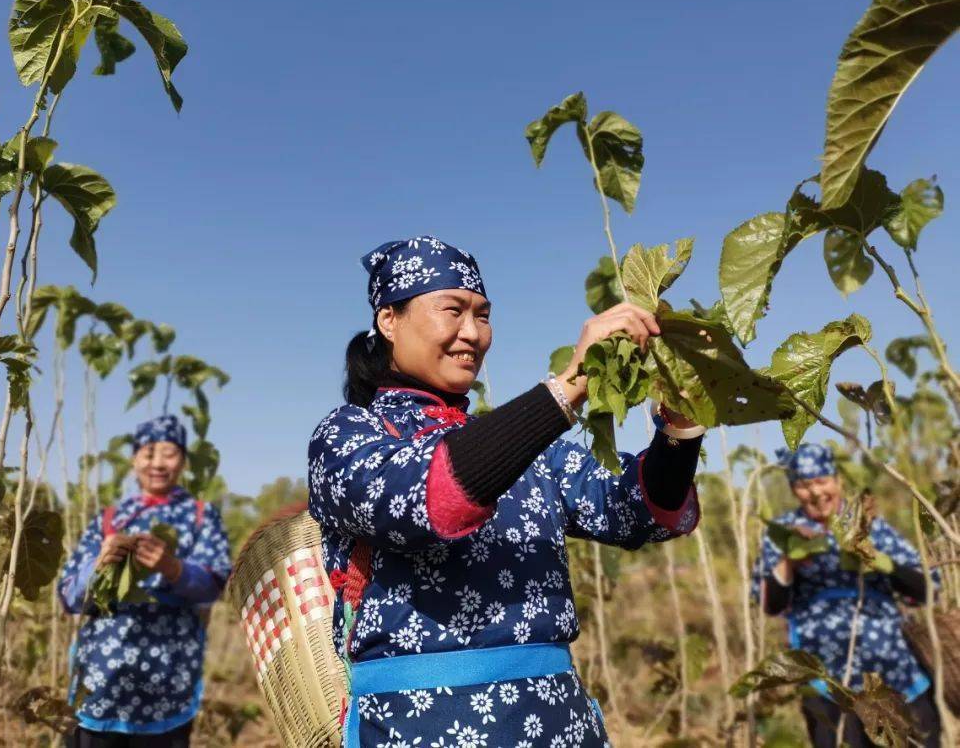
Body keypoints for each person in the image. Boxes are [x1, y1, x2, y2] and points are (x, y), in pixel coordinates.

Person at [308, 236, 705, 747]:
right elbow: (431, 497)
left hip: (559, 723)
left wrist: (681, 425)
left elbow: (639, 509)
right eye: (452, 311)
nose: (471, 334)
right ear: (389, 320)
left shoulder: (534, 453)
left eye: (483, 315)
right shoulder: (348, 436)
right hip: (419, 728)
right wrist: (569, 388)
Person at [59, 415, 232, 748]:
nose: (157, 463)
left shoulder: (199, 516)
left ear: (183, 460)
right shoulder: (110, 518)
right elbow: (69, 595)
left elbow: (214, 582)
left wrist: (173, 568)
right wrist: (98, 565)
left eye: (169, 453)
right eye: (148, 453)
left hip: (168, 681)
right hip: (101, 681)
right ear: (134, 459)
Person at [752, 443, 942, 748]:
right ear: (792, 489)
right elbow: (770, 602)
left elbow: (926, 588)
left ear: (837, 480)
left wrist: (876, 558)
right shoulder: (785, 532)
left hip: (895, 674)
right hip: (827, 684)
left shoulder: (870, 527)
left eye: (821, 481)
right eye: (803, 485)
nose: (814, 493)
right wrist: (790, 561)